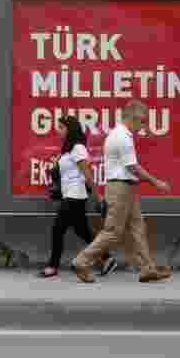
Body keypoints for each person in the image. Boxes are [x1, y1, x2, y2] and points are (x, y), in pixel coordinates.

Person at [71, 100, 174, 284]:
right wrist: (156, 182)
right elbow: (132, 167)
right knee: (112, 232)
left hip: (127, 188)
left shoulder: (121, 134)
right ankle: (82, 261)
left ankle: (147, 269)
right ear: (133, 118)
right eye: (142, 121)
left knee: (138, 228)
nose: (143, 126)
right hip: (120, 189)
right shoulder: (122, 137)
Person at [38, 116, 117, 279]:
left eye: (61, 128)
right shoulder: (67, 150)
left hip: (75, 196)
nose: (58, 130)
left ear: (70, 129)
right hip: (70, 195)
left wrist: (98, 196)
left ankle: (52, 266)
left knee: (57, 229)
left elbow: (87, 173)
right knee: (82, 231)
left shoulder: (78, 148)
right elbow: (64, 173)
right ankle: (107, 258)